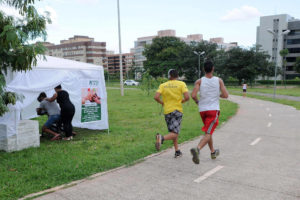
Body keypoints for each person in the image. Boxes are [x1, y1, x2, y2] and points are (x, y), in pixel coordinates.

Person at [190, 60, 229, 164]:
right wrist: (218, 95)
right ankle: (197, 149)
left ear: (204, 69)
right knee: (208, 132)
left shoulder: (199, 81)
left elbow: (193, 95)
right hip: (213, 110)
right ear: (213, 69)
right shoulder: (219, 80)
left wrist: (198, 102)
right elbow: (226, 95)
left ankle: (212, 152)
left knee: (208, 131)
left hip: (203, 110)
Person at [154, 69, 190, 158]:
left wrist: (162, 103)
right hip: (177, 110)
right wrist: (182, 101)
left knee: (173, 132)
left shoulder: (163, 85)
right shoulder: (181, 84)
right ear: (177, 76)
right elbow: (187, 97)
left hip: (167, 111)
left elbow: (156, 97)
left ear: (169, 75)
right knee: (175, 133)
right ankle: (161, 138)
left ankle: (177, 151)